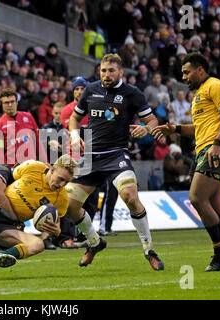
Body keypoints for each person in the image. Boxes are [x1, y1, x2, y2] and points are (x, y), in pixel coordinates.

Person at [152, 53, 220, 271]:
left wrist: (217, 145)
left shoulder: (215, 85)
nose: (183, 77)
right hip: (208, 148)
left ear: (200, 70)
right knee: (215, 206)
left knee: (196, 197)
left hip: (216, 149)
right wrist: (173, 128)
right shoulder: (199, 96)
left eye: (187, 72)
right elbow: (198, 129)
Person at [66, 53, 164, 270]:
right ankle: (95, 242)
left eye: (111, 70)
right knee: (71, 206)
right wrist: (74, 136)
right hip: (91, 155)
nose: (106, 74)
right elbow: (74, 118)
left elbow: (152, 120)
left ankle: (149, 250)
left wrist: (145, 128)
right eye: (103, 70)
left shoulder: (132, 93)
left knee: (130, 196)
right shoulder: (90, 90)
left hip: (116, 154)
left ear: (121, 72)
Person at [0, 88, 47, 166]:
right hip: (13, 168)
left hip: (32, 165)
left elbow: (38, 142)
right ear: (2, 104)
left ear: (17, 102)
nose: (10, 105)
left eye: (12, 102)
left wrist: (45, 162)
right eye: (6, 103)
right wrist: (5, 170)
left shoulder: (28, 117)